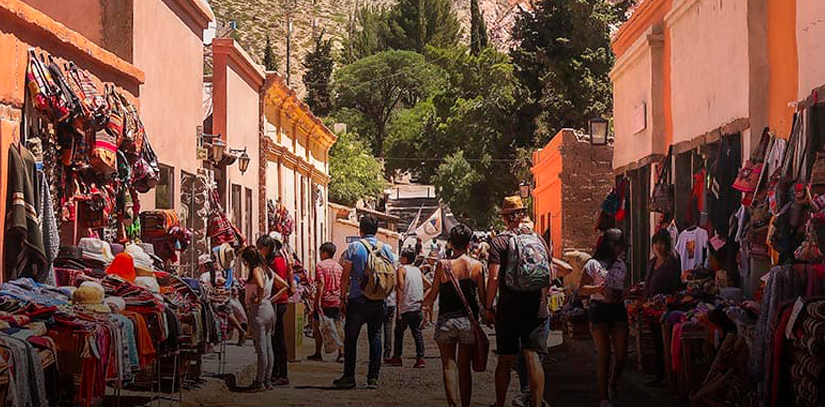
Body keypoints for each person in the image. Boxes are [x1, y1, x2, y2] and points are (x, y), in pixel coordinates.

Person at [485, 196, 552, 407]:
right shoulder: (538, 239)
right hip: (536, 306)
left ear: (505, 218)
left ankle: (499, 403)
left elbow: (494, 278)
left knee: (505, 359)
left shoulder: (499, 242)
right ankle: (537, 403)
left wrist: (488, 306)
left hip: (509, 307)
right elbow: (548, 272)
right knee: (532, 357)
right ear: (522, 215)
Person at [424, 224, 486, 407]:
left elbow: (434, 293)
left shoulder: (442, 266)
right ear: (469, 244)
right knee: (464, 366)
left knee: (449, 365)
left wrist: (421, 305)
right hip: (468, 321)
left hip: (446, 320)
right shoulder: (477, 266)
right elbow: (482, 297)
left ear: (450, 243)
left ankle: (454, 405)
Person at [334, 215, 397, 389]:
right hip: (379, 300)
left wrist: (341, 298)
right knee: (375, 337)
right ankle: (373, 378)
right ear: (376, 230)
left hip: (358, 299)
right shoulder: (386, 249)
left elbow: (345, 276)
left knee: (351, 339)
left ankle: (349, 376)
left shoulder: (354, 247)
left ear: (360, 229)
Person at [580, 229, 629, 407]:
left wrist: (625, 293)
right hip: (599, 309)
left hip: (618, 309)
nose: (620, 250)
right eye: (618, 246)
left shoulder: (622, 264)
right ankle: (603, 397)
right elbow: (582, 289)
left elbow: (625, 285)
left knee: (622, 355)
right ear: (609, 245)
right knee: (605, 355)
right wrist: (598, 289)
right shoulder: (592, 264)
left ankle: (612, 384)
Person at [239, 246, 287, 392]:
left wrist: (259, 299)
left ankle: (259, 382)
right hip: (269, 309)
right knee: (268, 348)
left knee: (261, 350)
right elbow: (285, 286)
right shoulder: (268, 270)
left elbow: (260, 285)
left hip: (259, 311)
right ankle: (267, 381)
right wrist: (270, 300)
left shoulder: (256, 270)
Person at [644, 229, 681, 387]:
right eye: (656, 243)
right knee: (657, 342)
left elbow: (675, 286)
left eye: (662, 243)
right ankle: (660, 375)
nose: (659, 246)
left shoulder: (671, 262)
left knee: (666, 343)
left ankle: (670, 376)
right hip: (652, 309)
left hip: (666, 309)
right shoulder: (652, 262)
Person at [257, 233, 294, 386]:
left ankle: (281, 374)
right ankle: (275, 372)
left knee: (278, 339)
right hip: (274, 303)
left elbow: (281, 285)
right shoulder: (275, 259)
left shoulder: (277, 261)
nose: (259, 250)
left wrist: (269, 300)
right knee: (274, 339)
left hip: (278, 303)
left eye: (260, 247)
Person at [387, 248, 429, 368]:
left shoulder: (401, 269)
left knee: (399, 332)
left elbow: (400, 287)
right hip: (417, 306)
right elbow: (429, 285)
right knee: (417, 332)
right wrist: (422, 299)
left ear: (405, 258)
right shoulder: (417, 270)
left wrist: (399, 306)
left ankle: (397, 357)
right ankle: (420, 358)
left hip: (406, 307)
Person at [308, 242, 345, 362]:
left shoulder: (320, 266)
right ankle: (341, 353)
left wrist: (317, 301)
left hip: (324, 301)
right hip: (336, 300)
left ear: (324, 252)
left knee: (317, 326)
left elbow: (321, 284)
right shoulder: (339, 267)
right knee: (338, 326)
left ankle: (318, 353)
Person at [383, 288, 397, 363]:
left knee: (376, 331)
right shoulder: (394, 275)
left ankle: (375, 355)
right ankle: (387, 353)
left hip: (381, 301)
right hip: (392, 302)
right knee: (388, 328)